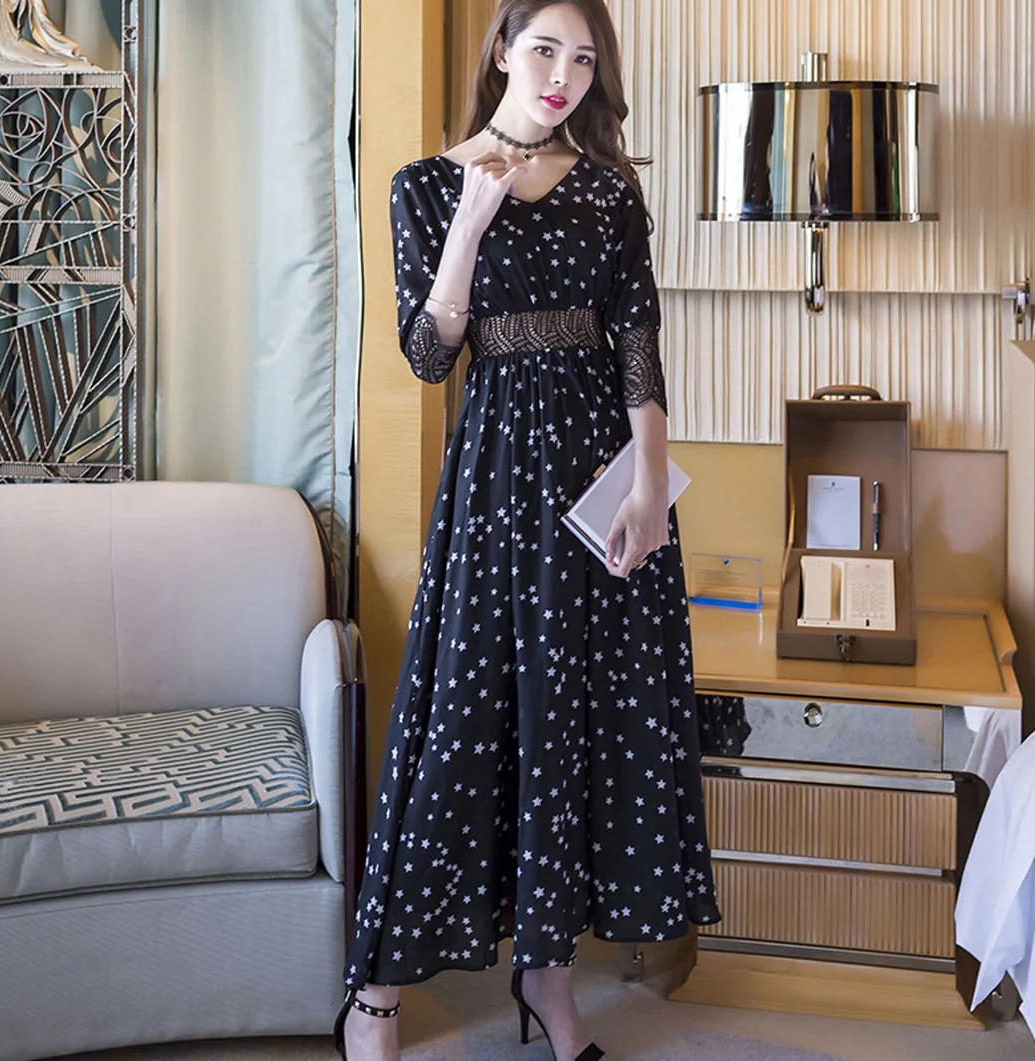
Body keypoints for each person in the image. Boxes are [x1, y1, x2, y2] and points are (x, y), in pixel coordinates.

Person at [335, 2, 720, 1058]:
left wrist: (651, 484)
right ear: (502, 49)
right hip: (498, 479)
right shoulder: (423, 185)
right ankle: (375, 994)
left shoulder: (607, 188)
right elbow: (427, 356)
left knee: (585, 721)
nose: (563, 75)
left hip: (604, 477)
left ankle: (547, 977)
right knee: (461, 717)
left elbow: (636, 341)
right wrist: (469, 221)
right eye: (545, 49)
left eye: (584, 59)